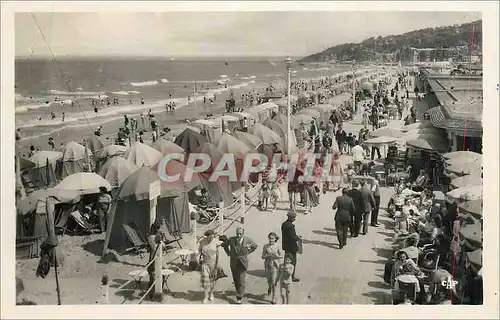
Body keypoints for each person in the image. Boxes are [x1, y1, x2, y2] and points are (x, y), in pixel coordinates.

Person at [221, 227, 258, 304]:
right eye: (237, 233)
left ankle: (239, 296)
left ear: (243, 234)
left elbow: (255, 246)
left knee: (241, 280)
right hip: (234, 262)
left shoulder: (247, 240)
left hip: (242, 262)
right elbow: (224, 245)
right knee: (236, 280)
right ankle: (238, 291)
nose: (238, 235)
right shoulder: (231, 239)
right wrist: (229, 253)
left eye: (240, 234)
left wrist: (248, 251)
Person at [198, 229, 222, 304]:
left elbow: (225, 242)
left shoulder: (216, 242)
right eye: (210, 237)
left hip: (214, 264)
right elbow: (199, 250)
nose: (212, 238)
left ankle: (211, 293)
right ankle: (205, 296)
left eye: (213, 237)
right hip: (205, 263)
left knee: (213, 280)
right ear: (207, 236)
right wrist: (196, 253)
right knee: (205, 280)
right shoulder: (202, 242)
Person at [261, 232, 283, 304]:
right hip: (268, 265)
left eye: (272, 238)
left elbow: (281, 255)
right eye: (270, 238)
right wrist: (268, 256)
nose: (271, 240)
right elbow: (263, 256)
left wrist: (276, 256)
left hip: (275, 265)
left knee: (274, 282)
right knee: (269, 280)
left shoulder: (278, 246)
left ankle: (274, 297)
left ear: (275, 239)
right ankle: (269, 287)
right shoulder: (265, 246)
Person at [281, 211, 300, 282]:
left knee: (286, 260)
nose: (294, 219)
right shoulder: (290, 226)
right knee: (292, 262)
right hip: (292, 247)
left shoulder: (284, 224)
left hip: (286, 246)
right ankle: (291, 276)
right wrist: (297, 238)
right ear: (291, 218)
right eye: (294, 218)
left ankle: (284, 274)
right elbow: (292, 237)